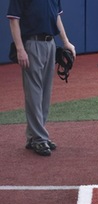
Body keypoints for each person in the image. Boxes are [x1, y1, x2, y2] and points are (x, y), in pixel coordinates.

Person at [7, 0, 76, 156]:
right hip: (32, 44)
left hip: (50, 43)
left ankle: (35, 136)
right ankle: (39, 138)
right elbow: (13, 20)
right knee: (34, 92)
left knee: (45, 93)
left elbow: (57, 17)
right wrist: (20, 49)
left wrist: (66, 42)